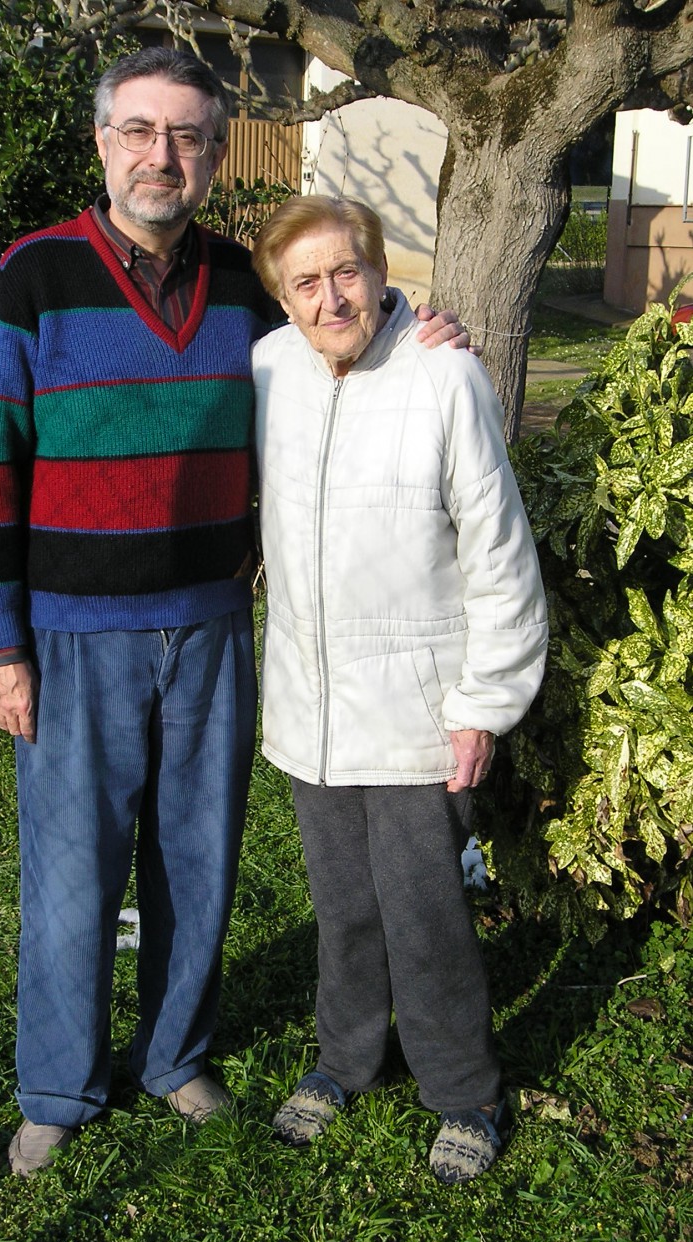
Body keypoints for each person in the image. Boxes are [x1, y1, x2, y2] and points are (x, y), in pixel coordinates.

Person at [0, 48, 468, 1178]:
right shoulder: (30, 279)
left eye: (185, 136)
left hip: (212, 630)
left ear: (214, 152)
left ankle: (174, 1055)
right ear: (101, 142)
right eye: (138, 131)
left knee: (196, 862)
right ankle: (56, 1085)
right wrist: (0, 644)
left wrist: (433, 329)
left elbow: (347, 323)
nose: (161, 156)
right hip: (72, 635)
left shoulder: (244, 284)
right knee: (72, 870)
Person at [250, 195, 548, 1184]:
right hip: (313, 705)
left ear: (379, 274)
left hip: (420, 709)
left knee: (423, 913)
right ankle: (345, 1059)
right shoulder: (264, 373)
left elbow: (499, 555)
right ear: (280, 299)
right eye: (304, 281)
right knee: (342, 906)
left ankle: (462, 1089)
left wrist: (481, 703)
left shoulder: (443, 374)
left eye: (346, 272)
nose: (329, 296)